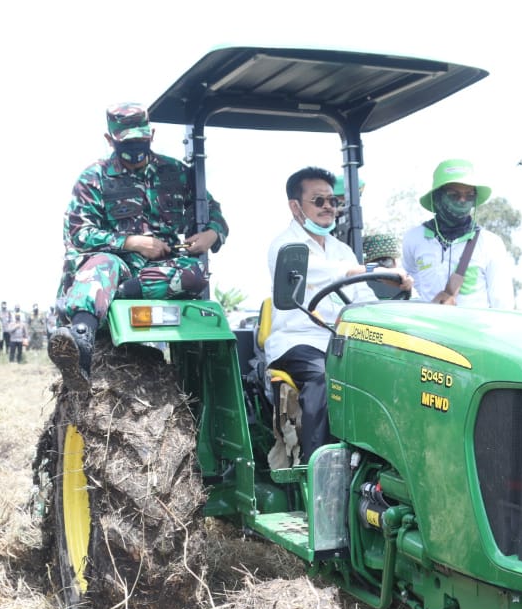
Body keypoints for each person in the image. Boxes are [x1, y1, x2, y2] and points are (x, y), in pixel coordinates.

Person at [49, 102, 229, 391]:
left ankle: (113, 298)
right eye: (127, 143)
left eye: (141, 141)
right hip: (116, 263)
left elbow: (214, 211)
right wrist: (131, 242)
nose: (135, 149)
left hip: (158, 271)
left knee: (195, 273)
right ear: (110, 141)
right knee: (101, 267)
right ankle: (78, 344)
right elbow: (78, 233)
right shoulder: (94, 177)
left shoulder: (175, 173)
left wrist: (213, 233)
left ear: (152, 135)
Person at [266, 166, 411, 462]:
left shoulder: (342, 250)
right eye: (319, 201)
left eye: (333, 201)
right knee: (325, 378)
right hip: (299, 343)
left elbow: (363, 298)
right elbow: (326, 274)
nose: (329, 207)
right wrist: (374, 270)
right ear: (296, 206)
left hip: (341, 343)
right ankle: (319, 470)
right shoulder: (285, 247)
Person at [402, 159, 513, 308]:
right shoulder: (414, 238)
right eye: (454, 195)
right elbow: (409, 283)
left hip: (473, 330)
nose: (462, 200)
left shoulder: (490, 243)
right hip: (426, 330)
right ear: (437, 198)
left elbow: (502, 304)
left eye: (469, 195)